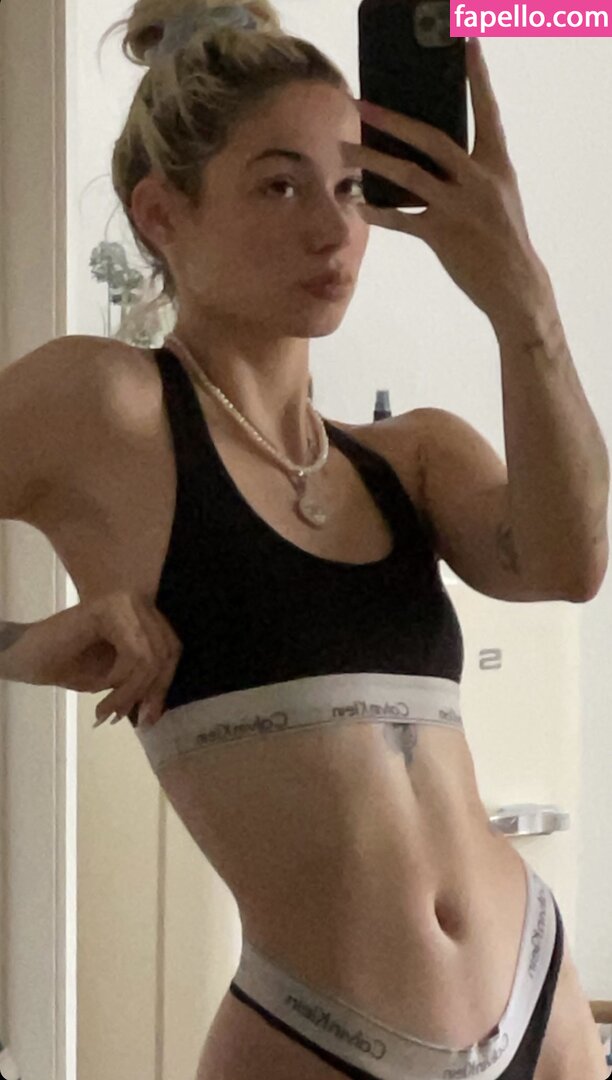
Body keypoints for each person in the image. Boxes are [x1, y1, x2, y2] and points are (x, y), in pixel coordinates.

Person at [0, 3, 608, 1079]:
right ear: (161, 213)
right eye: (279, 186)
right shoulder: (107, 407)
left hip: (541, 1002)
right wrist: (20, 646)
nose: (333, 230)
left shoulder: (416, 456)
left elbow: (573, 564)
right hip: (318, 1037)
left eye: (351, 187)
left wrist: (525, 302)